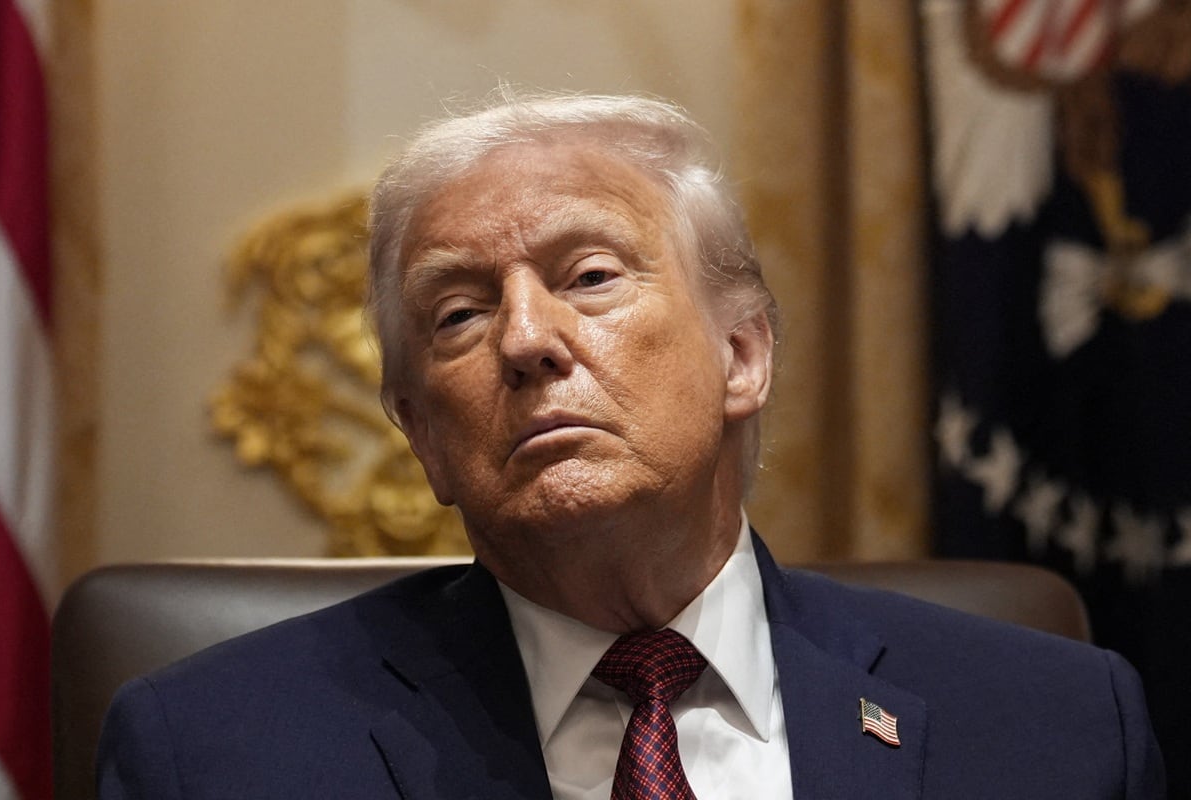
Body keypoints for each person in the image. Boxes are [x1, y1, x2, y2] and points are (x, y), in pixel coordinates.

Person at [97, 93, 1166, 799]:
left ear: (743, 353)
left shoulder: (1058, 728)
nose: (525, 338)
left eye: (590, 276)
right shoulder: (214, 752)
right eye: (459, 314)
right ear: (421, 432)